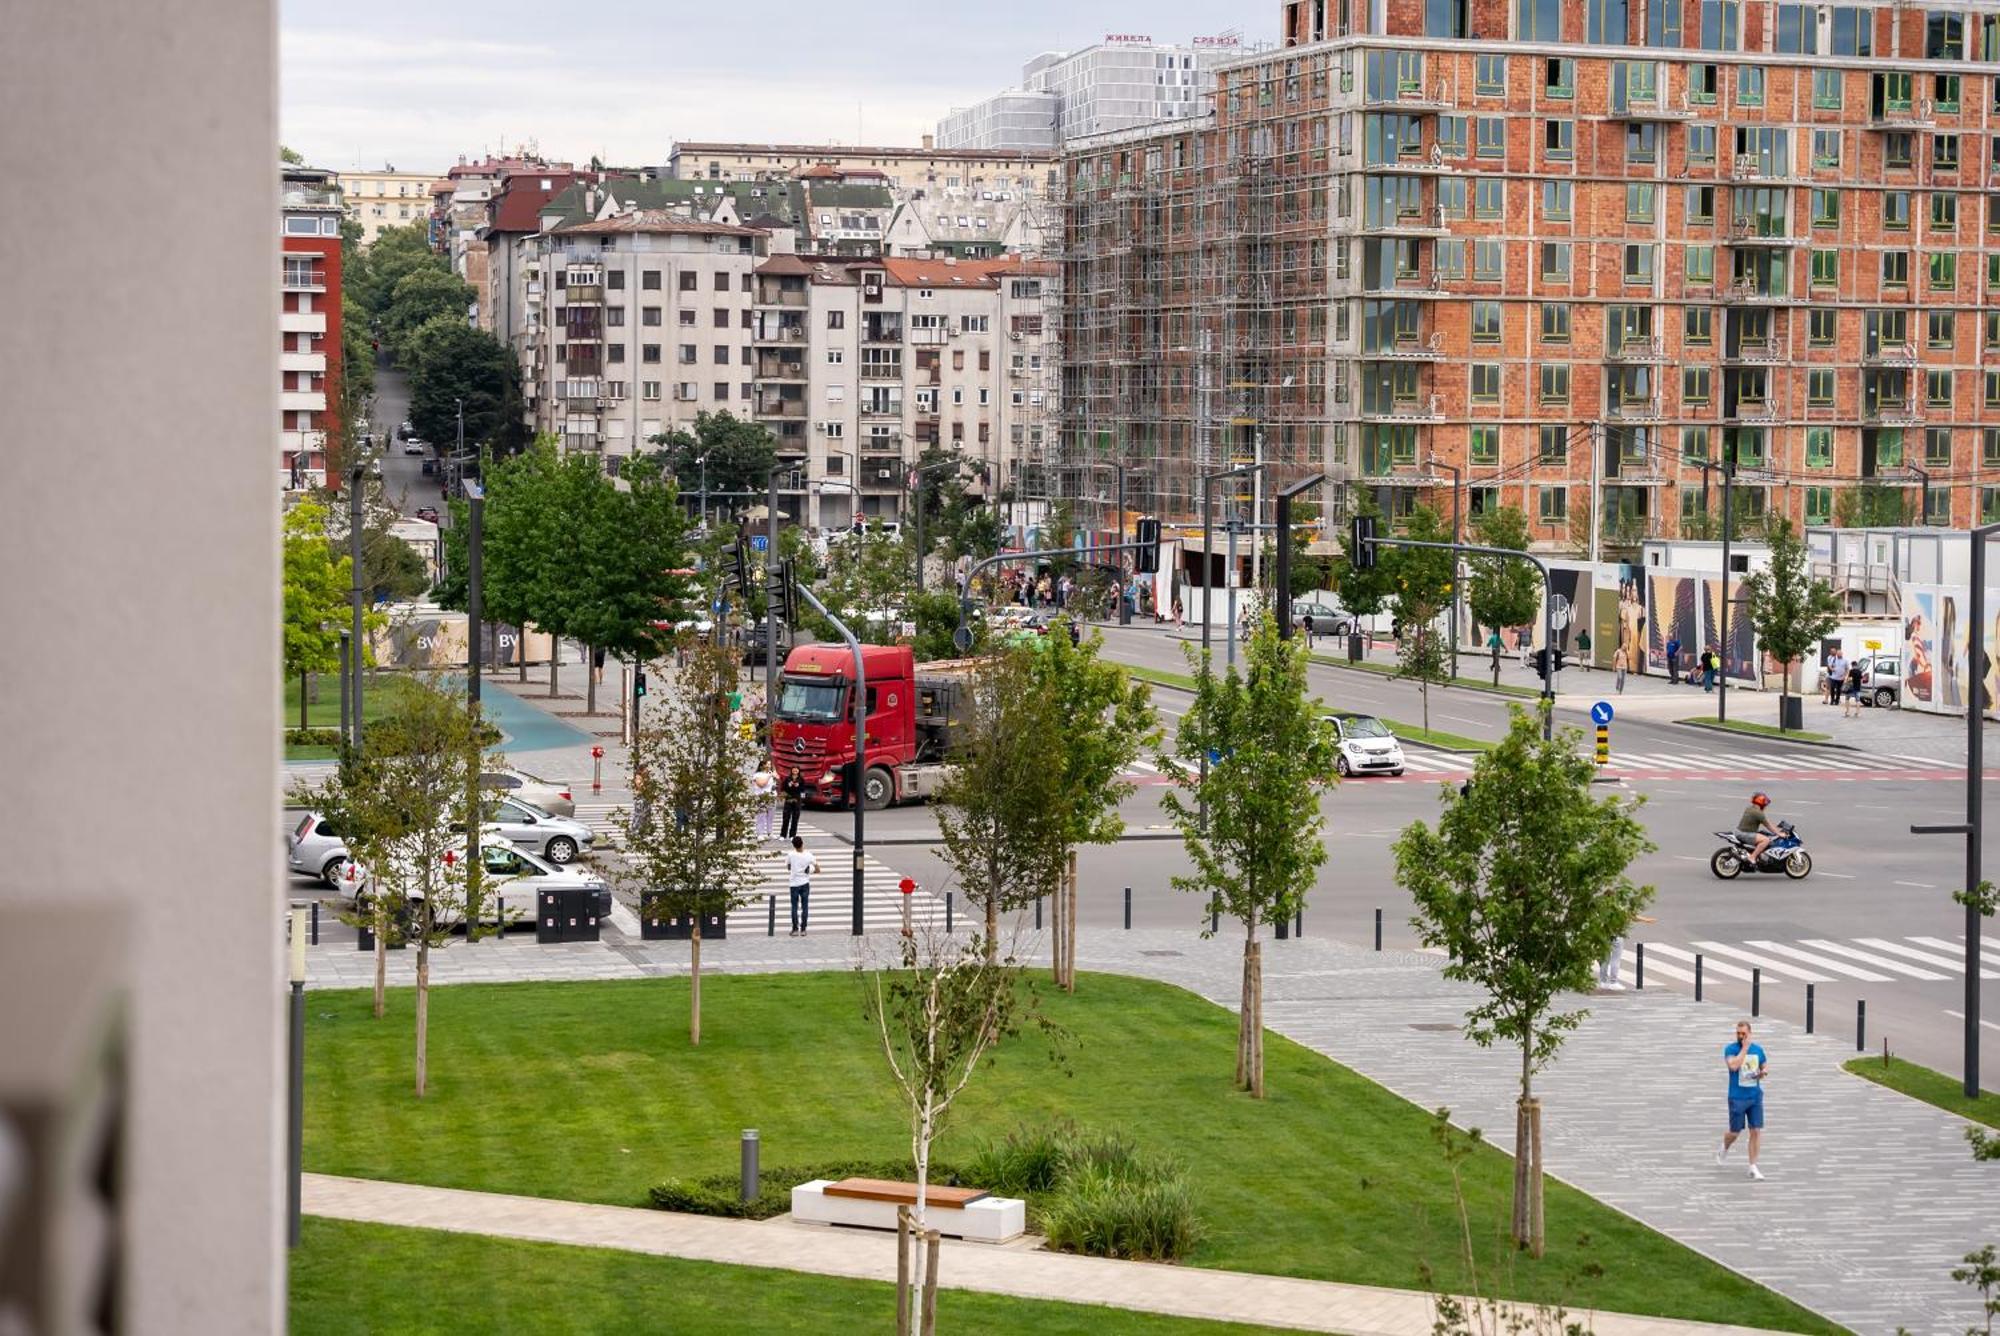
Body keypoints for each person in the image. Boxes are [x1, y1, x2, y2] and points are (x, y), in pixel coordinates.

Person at [1716, 1019, 1770, 1180]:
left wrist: (1764, 1071)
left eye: (1743, 1034)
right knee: (1735, 1132)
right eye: (1738, 1033)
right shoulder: (1730, 1049)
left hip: (1754, 1095)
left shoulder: (1758, 1050)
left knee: (1756, 1130)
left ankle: (1752, 1166)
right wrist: (1744, 1049)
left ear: (1750, 1033)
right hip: (1737, 1097)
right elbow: (1733, 1066)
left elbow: (1765, 1064)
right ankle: (1725, 1146)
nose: (1740, 1036)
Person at [785, 835, 819, 936]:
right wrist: (810, 870)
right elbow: (818, 869)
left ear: (793, 845)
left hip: (794, 884)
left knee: (794, 907)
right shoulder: (809, 855)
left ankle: (795, 929)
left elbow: (788, 867)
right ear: (802, 843)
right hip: (805, 883)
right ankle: (803, 929)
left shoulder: (790, 855)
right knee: (805, 906)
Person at [1737, 791, 1779, 865]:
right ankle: (1752, 857)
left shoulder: (1749, 808)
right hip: (1745, 834)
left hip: (1740, 831)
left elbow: (1767, 823)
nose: (1765, 806)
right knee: (1766, 840)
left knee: (1762, 833)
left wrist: (1778, 830)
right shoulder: (1758, 813)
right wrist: (1779, 833)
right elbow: (1768, 825)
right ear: (1761, 802)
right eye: (1765, 803)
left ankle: (1754, 854)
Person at [749, 765, 776, 840]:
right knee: (761, 815)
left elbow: (778, 780)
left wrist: (774, 773)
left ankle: (770, 832)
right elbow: (761, 785)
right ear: (762, 765)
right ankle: (760, 833)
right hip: (762, 796)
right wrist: (769, 776)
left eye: (770, 764)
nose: (769, 766)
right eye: (767, 764)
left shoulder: (771, 773)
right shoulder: (757, 775)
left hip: (772, 796)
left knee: (771, 816)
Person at [779, 768, 806, 840]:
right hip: (789, 799)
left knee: (795, 818)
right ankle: (783, 835)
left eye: (796, 770)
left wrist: (798, 786)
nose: (795, 771)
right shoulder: (787, 778)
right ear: (791, 770)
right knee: (786, 817)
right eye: (793, 770)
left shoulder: (801, 779)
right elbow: (783, 788)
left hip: (797, 800)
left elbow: (803, 789)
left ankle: (792, 835)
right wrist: (789, 785)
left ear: (799, 771)